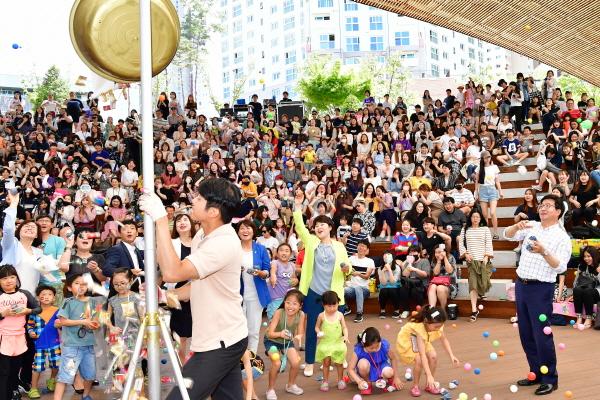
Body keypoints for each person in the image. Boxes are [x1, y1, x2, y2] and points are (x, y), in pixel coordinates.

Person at [139, 178, 248, 400]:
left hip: (221, 341)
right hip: (225, 336)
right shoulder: (203, 234)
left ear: (213, 212)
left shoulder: (223, 243)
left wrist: (162, 220)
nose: (193, 200)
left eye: (199, 198)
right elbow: (198, 285)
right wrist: (165, 296)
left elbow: (172, 273)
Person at [504, 194, 571, 396]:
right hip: (522, 286)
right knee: (526, 333)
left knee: (542, 334)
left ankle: (550, 378)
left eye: (548, 205)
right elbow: (507, 235)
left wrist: (543, 251)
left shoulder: (562, 237)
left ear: (558, 211)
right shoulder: (532, 226)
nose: (542, 208)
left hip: (541, 289)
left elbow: (561, 267)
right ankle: (536, 372)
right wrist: (516, 226)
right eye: (542, 205)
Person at [291, 191, 351, 378]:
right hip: (314, 293)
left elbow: (347, 267)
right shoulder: (310, 242)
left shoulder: (339, 246)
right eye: (316, 225)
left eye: (322, 224)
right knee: (311, 330)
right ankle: (310, 362)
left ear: (330, 227)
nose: (318, 227)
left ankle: (332, 358)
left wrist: (346, 269)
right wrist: (298, 206)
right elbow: (300, 227)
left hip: (333, 295)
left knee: (334, 330)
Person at [52, 273, 101, 400]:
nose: (81, 286)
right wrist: (83, 322)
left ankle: (86, 395)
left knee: (90, 375)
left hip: (88, 345)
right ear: (69, 287)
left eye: (84, 284)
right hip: (71, 347)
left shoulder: (92, 302)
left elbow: (96, 321)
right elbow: (63, 321)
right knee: (65, 376)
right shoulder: (67, 302)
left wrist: (94, 325)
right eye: (77, 283)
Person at [395, 305, 459, 397]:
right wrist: (429, 375)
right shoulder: (420, 329)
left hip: (421, 339)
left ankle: (429, 385)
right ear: (426, 321)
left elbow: (444, 339)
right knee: (419, 360)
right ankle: (415, 386)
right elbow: (422, 355)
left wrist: (451, 355)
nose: (438, 328)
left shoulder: (437, 324)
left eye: (440, 326)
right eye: (436, 326)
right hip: (407, 341)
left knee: (433, 356)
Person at [0, 265, 40, 400]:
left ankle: (13, 392)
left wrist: (28, 311)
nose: (9, 281)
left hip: (20, 337)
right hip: (3, 338)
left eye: (12, 277)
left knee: (15, 370)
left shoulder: (24, 294)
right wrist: (3, 314)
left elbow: (38, 309)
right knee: (4, 372)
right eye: (4, 278)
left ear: (16, 278)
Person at [263, 290, 305, 400]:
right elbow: (270, 333)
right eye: (288, 302)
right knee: (276, 363)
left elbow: (300, 332)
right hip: (271, 340)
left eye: (295, 304)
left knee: (296, 362)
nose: (290, 306)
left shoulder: (301, 315)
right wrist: (280, 334)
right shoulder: (279, 312)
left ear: (300, 306)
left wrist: (299, 336)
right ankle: (270, 389)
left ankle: (290, 385)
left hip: (286, 342)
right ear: (284, 302)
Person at [237, 220, 271, 353]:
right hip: (236, 296)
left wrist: (261, 273)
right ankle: (239, 359)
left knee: (253, 331)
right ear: (238, 232)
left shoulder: (261, 249)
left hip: (256, 295)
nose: (245, 231)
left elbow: (267, 270)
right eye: (242, 228)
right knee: (238, 332)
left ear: (253, 231)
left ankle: (252, 359)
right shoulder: (233, 248)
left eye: (248, 228)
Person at [167, 213, 196, 360]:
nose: (182, 222)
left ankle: (198, 364)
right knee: (180, 335)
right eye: (178, 221)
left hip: (197, 289)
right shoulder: (171, 243)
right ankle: (182, 367)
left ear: (191, 224)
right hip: (177, 291)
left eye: (185, 219)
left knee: (199, 331)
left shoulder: (199, 242)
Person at [458, 209, 494, 322]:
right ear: (470, 218)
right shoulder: (465, 229)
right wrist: (465, 254)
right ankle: (474, 310)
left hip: (483, 260)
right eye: (473, 216)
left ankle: (481, 292)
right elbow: (461, 243)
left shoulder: (485, 229)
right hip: (471, 261)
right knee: (473, 285)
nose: (475, 219)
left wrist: (487, 256)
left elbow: (489, 243)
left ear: (480, 218)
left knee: (483, 283)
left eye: (477, 217)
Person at [26, 285, 60, 399]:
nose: (46, 296)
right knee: (37, 367)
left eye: (50, 294)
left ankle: (52, 380)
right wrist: (31, 332)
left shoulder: (57, 311)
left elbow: (62, 325)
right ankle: (33, 388)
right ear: (38, 297)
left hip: (54, 343)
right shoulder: (35, 312)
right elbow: (30, 325)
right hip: (39, 344)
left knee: (56, 364)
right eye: (43, 294)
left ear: (54, 298)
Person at [346, 327, 403, 395]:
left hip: (381, 366)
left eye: (377, 346)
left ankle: (391, 378)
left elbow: (393, 358)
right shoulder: (359, 350)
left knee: (389, 372)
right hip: (367, 369)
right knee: (362, 364)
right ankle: (367, 383)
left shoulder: (383, 345)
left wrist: (396, 377)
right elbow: (350, 369)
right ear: (363, 344)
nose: (375, 350)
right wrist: (359, 381)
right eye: (371, 348)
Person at [315, 291, 349, 392]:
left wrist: (346, 336)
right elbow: (316, 327)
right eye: (329, 306)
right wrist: (319, 332)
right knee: (326, 363)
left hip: (338, 343)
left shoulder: (340, 315)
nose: (332, 308)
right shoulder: (321, 316)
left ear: (338, 303)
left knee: (339, 363)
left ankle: (340, 380)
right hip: (326, 343)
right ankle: (325, 381)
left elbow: (344, 327)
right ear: (323, 305)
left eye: (335, 305)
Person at [343, 240, 375, 323]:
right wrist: (345, 269)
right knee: (341, 290)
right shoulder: (351, 259)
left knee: (358, 288)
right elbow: (346, 270)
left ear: (367, 249)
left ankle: (359, 313)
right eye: (359, 245)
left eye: (363, 246)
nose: (361, 247)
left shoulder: (370, 261)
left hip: (364, 290)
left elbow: (367, 276)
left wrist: (358, 274)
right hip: (351, 288)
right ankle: (346, 308)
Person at [475, 150, 503, 239]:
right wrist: (476, 193)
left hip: (492, 190)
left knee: (492, 212)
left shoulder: (494, 167)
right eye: (485, 158)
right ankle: (486, 234)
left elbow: (497, 181)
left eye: (488, 157)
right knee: (484, 215)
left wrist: (500, 191)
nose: (487, 159)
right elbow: (477, 181)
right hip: (482, 190)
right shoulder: (479, 168)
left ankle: (495, 233)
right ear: (482, 159)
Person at [571, 246, 600, 329]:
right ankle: (579, 317)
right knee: (577, 290)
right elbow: (576, 281)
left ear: (594, 256)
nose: (586, 259)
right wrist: (573, 293)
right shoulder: (582, 266)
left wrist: (599, 273)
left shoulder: (599, 266)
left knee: (588, 291)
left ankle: (588, 318)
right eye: (585, 256)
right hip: (584, 288)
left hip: (596, 291)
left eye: (589, 256)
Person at [267, 243, 298, 320]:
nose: (284, 253)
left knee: (285, 321)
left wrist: (296, 281)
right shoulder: (275, 262)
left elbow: (294, 278)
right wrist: (273, 275)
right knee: (274, 320)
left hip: (288, 300)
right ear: (277, 253)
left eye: (287, 251)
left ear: (290, 254)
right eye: (281, 250)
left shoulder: (292, 265)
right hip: (275, 299)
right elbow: (273, 270)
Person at [427, 244, 458, 310]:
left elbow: (450, 271)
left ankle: (442, 310)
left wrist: (445, 258)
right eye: (436, 252)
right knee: (432, 287)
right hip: (436, 283)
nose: (437, 254)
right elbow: (435, 273)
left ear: (444, 252)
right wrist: (439, 261)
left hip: (449, 284)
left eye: (439, 252)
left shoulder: (451, 257)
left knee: (440, 288)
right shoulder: (434, 260)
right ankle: (431, 310)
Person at [377, 252, 402, 319]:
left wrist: (389, 270)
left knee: (392, 290)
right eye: (385, 257)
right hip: (384, 286)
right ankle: (382, 310)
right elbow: (383, 283)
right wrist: (383, 271)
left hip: (395, 286)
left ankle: (396, 310)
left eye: (388, 256)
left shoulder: (397, 268)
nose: (386, 258)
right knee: (383, 290)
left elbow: (393, 282)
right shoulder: (380, 269)